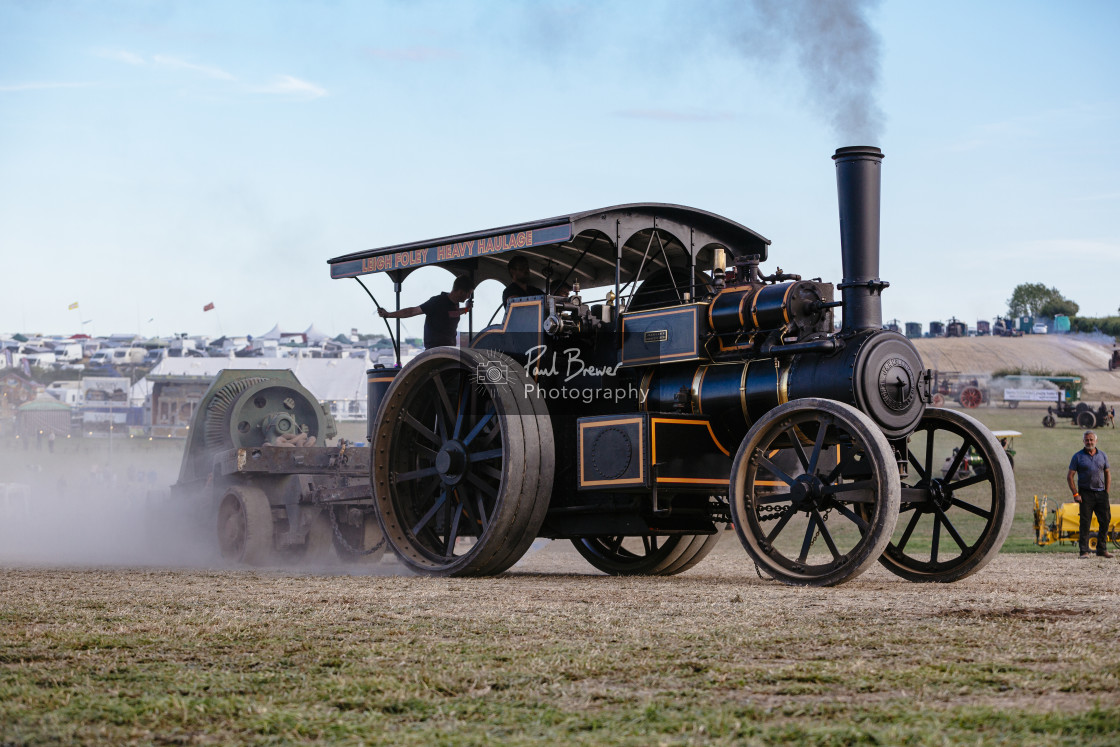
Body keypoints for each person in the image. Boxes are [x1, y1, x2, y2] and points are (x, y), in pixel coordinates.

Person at [379, 275, 474, 349]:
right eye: (468, 294)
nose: (468, 297)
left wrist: (466, 309)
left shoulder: (455, 305)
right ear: (461, 292)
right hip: (435, 351)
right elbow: (412, 311)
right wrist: (388, 314)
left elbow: (453, 313)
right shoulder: (437, 302)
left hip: (448, 349)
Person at [1067, 430, 1113, 559]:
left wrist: (1106, 492)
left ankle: (1102, 549)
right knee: (1085, 523)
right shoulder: (1077, 456)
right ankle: (1084, 551)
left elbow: (1107, 473)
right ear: (1083, 441)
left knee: (1105, 521)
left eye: (1091, 439)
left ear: (1096, 441)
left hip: (1101, 493)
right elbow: (1070, 476)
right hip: (1085, 494)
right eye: (1087, 440)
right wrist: (1075, 494)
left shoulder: (1103, 455)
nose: (1089, 442)